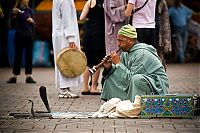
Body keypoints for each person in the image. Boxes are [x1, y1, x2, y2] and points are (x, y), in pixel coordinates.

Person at [101, 24, 169, 102]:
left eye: (121, 40)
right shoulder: (125, 53)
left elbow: (130, 78)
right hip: (138, 82)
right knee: (111, 75)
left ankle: (134, 107)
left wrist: (118, 63)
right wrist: (109, 67)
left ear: (130, 40)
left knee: (137, 79)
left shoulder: (142, 54)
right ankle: (115, 104)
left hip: (157, 87)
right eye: (118, 40)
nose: (118, 44)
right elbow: (123, 72)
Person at [52, 0, 81, 98]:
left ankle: (65, 88)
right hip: (64, 36)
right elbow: (67, 20)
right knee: (65, 61)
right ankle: (63, 89)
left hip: (60, 34)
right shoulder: (65, 0)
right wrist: (71, 38)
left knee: (63, 61)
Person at [79, 0, 105, 95]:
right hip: (99, 34)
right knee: (96, 62)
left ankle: (85, 87)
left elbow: (81, 17)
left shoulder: (89, 2)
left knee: (87, 62)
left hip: (88, 34)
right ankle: (94, 87)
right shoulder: (105, 3)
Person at [7, 0, 36, 84]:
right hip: (19, 35)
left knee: (29, 56)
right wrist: (14, 15)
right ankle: (14, 76)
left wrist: (32, 21)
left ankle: (28, 76)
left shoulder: (30, 11)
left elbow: (34, 24)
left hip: (29, 36)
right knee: (18, 56)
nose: (27, 0)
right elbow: (12, 24)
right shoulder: (16, 10)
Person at [155, 0, 171, 70]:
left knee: (159, 59)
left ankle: (162, 79)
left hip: (158, 36)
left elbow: (165, 22)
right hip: (143, 33)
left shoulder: (161, 2)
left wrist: (167, 42)